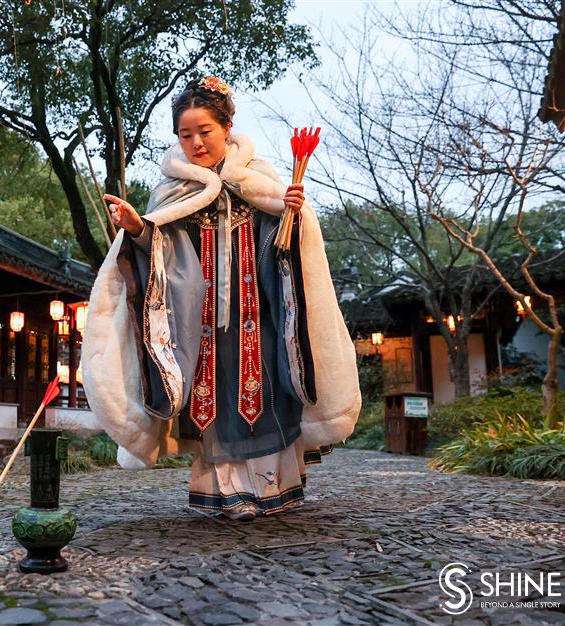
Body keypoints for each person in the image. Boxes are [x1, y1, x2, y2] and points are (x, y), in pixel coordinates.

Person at [81, 77, 360, 521]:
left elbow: (288, 249)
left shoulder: (259, 180)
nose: (195, 143)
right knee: (216, 407)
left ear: (228, 127)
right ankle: (229, 495)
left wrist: (290, 212)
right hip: (202, 327)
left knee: (266, 399)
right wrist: (138, 228)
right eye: (184, 135)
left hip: (261, 319)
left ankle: (271, 489)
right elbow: (163, 253)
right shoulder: (173, 191)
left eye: (204, 132)